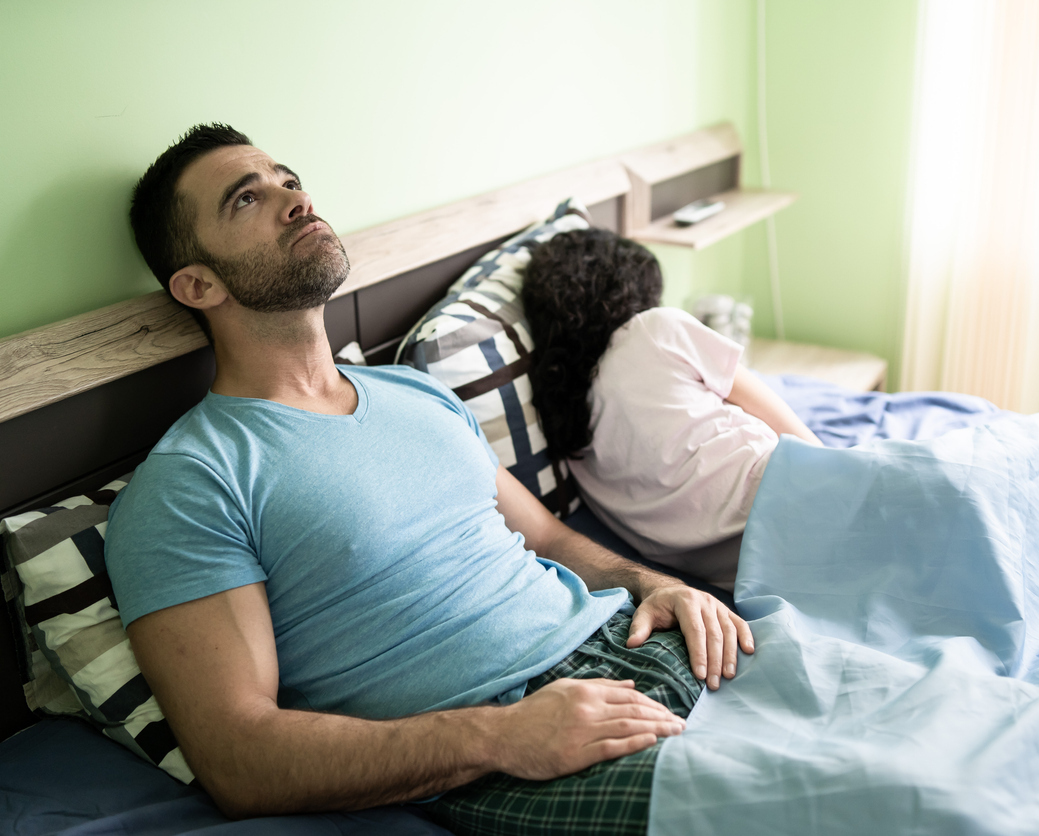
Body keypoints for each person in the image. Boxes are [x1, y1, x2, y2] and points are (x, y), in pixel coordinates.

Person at [103, 124, 753, 835]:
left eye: (288, 179)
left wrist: (654, 584)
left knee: (885, 715)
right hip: (515, 736)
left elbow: (546, 536)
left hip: (637, 642)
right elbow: (239, 758)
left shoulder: (418, 394)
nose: (293, 199)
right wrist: (501, 737)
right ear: (197, 284)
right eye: (245, 200)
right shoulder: (193, 481)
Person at [522, 228, 821, 582]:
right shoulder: (652, 328)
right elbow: (778, 416)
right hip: (795, 494)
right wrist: (839, 465)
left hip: (750, 572)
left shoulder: (569, 440)